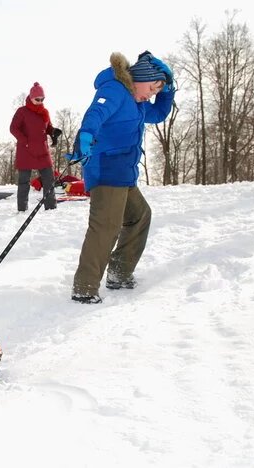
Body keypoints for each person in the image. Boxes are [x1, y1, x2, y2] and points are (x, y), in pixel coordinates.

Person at [68, 51, 176, 304]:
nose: (151, 94)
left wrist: (168, 90)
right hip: (106, 169)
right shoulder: (115, 90)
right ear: (139, 79)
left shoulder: (137, 103)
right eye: (152, 88)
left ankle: (119, 273)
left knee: (139, 217)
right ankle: (85, 287)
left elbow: (159, 113)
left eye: (155, 91)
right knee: (105, 227)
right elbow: (96, 113)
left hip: (124, 174)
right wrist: (85, 136)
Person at [9, 82, 62, 212]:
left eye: (42, 99)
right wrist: (25, 141)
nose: (40, 101)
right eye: (37, 99)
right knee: (24, 182)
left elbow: (47, 127)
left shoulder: (45, 112)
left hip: (42, 150)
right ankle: (22, 209)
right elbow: (13, 128)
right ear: (31, 98)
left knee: (49, 179)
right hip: (26, 150)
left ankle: (50, 208)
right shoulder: (22, 111)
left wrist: (53, 131)